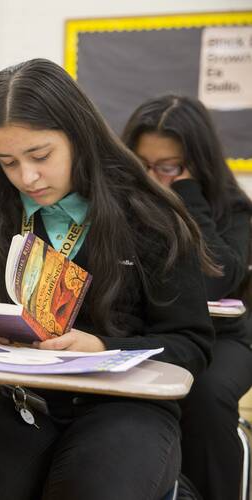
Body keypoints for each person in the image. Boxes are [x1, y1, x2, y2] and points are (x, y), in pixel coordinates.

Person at [0, 58, 215, 500]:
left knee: (90, 487)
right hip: (22, 403)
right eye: (8, 162)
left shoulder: (150, 217)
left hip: (126, 405)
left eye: (40, 156)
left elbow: (191, 343)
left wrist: (105, 348)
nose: (27, 177)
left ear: (79, 135)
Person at [123, 94, 252, 500]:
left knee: (204, 393)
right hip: (150, 332)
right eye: (143, 165)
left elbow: (213, 282)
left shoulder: (232, 211)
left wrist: (187, 196)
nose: (153, 179)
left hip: (225, 338)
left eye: (169, 168)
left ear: (196, 165)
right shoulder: (121, 202)